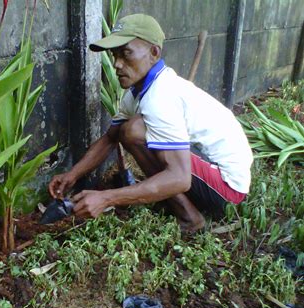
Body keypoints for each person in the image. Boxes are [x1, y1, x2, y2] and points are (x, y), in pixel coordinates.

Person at [48, 14, 253, 232]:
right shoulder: (139, 90)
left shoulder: (160, 96)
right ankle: (175, 203)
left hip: (227, 188)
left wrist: (106, 198)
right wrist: (72, 175)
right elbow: (110, 138)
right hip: (210, 172)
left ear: (154, 53)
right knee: (128, 130)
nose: (117, 64)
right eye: (115, 55)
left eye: (126, 53)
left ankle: (190, 219)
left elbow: (180, 178)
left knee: (134, 130)